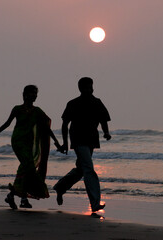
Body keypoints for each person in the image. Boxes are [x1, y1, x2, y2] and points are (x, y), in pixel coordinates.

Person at [0, 85, 61, 209]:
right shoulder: (17, 109)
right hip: (18, 141)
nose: (34, 96)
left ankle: (11, 196)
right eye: (32, 93)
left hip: (29, 143)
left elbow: (46, 127)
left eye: (36, 94)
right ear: (25, 94)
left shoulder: (37, 111)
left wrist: (56, 142)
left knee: (28, 169)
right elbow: (7, 123)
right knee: (28, 166)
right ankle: (22, 199)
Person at [53, 77, 111, 212]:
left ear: (93, 87)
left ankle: (60, 187)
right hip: (78, 139)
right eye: (85, 87)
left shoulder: (97, 102)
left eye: (90, 87)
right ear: (80, 89)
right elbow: (65, 124)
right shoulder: (73, 103)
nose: (88, 90)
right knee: (89, 169)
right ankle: (95, 203)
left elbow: (103, 119)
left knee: (81, 169)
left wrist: (106, 132)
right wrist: (65, 143)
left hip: (91, 140)